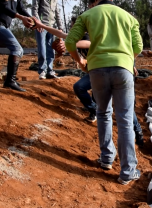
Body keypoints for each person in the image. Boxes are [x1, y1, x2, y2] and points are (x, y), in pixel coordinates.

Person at [65, 0, 143, 185]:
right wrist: (128, 59)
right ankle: (128, 171)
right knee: (125, 119)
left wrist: (80, 61)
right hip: (123, 70)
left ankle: (107, 158)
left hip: (97, 69)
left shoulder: (88, 15)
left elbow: (70, 42)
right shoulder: (128, 17)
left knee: (102, 113)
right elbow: (139, 46)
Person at [33, 15, 144, 146]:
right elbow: (59, 33)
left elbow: (88, 43)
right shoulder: (74, 38)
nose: (72, 29)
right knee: (79, 87)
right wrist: (42, 26)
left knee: (124, 106)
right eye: (71, 27)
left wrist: (70, 44)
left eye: (74, 26)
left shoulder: (86, 37)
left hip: (111, 70)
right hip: (96, 73)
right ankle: (93, 110)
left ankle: (138, 133)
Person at [32, 0, 63, 80]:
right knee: (42, 49)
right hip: (41, 26)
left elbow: (57, 13)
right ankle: (42, 71)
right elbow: (34, 10)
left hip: (52, 27)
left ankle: (50, 70)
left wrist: (60, 28)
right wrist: (38, 23)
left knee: (51, 49)